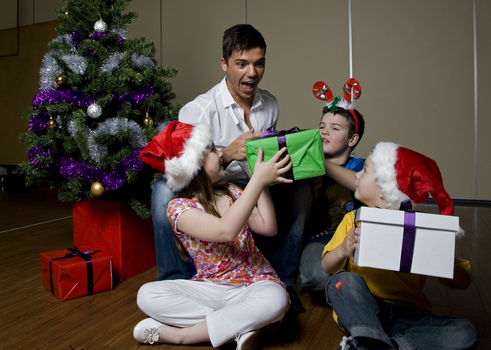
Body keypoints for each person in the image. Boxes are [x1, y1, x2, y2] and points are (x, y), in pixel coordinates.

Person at [149, 24, 313, 312]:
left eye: (258, 63)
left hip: (255, 184)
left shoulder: (270, 104)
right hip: (213, 188)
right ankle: (173, 281)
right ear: (224, 64)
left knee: (301, 187)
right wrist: (227, 154)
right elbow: (188, 174)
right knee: (162, 191)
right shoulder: (197, 110)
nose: (252, 73)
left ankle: (283, 279)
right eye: (242, 64)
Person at [134, 121, 291, 349]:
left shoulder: (232, 191)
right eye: (211, 150)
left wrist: (259, 180)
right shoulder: (179, 208)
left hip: (254, 283)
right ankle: (242, 324)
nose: (220, 153)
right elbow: (225, 231)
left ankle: (182, 335)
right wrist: (257, 181)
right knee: (146, 295)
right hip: (211, 287)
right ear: (194, 165)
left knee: (275, 300)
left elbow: (269, 228)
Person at [322, 141, 478, 350]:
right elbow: (327, 266)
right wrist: (343, 249)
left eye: (365, 170)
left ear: (385, 190)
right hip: (365, 307)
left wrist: (441, 260)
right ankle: (375, 336)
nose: (357, 175)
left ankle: (375, 343)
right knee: (341, 282)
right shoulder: (353, 219)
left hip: (408, 313)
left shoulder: (420, 227)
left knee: (464, 332)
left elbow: (464, 281)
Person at [299, 79, 365, 301]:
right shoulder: (308, 170)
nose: (325, 132)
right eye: (322, 127)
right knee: (317, 278)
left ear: (352, 139)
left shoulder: (362, 167)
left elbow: (362, 185)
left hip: (356, 238)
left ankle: (353, 287)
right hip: (321, 240)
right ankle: (348, 288)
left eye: (335, 128)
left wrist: (321, 162)